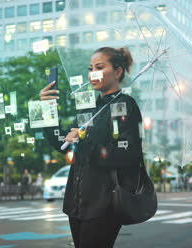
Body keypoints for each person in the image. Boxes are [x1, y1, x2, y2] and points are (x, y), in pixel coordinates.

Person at [40, 46, 141, 247]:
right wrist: (48, 108)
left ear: (118, 71)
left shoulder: (125, 105)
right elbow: (62, 144)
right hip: (76, 203)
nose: (92, 73)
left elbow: (127, 153)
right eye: (90, 68)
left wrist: (85, 141)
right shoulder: (90, 109)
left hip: (104, 204)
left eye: (100, 67)